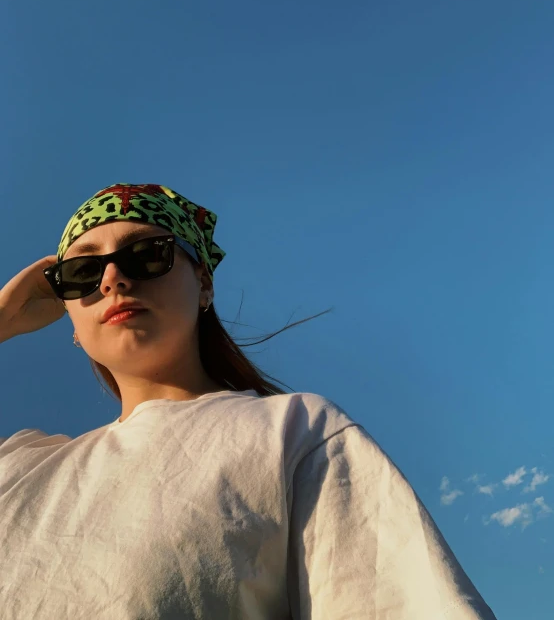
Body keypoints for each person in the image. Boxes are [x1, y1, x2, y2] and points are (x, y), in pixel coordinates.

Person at [0, 183, 497, 619]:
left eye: (147, 254)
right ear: (69, 320)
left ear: (204, 284)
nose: (112, 280)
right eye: (83, 273)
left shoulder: (298, 431)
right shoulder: (18, 465)